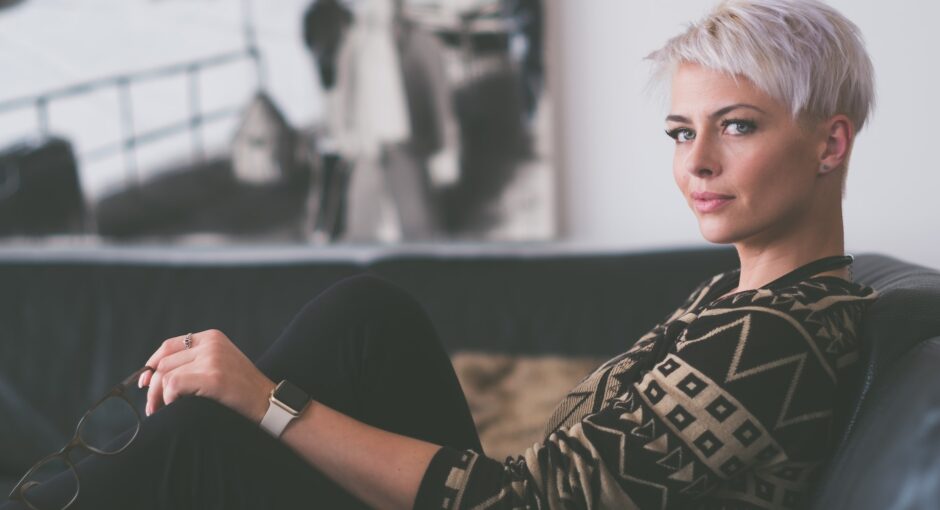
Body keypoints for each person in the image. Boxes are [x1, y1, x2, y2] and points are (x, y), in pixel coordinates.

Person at [4, 0, 880, 508]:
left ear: (829, 143)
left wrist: (270, 403)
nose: (695, 163)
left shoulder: (779, 342)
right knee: (366, 317)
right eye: (682, 131)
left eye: (737, 127)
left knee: (212, 431)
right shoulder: (736, 301)